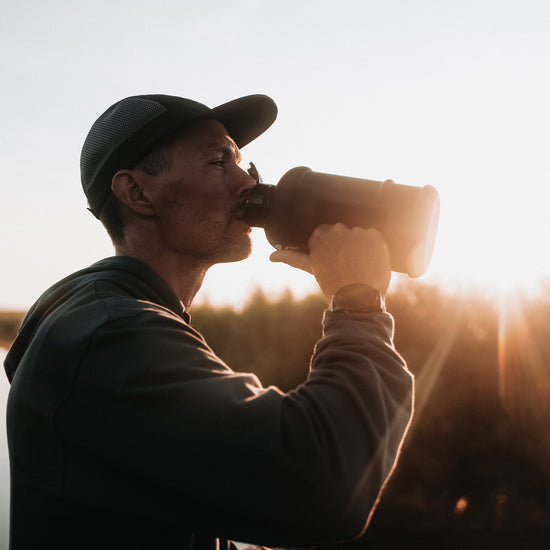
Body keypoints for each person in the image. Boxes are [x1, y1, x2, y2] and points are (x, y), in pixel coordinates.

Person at [4, 93, 414, 549]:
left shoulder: (124, 321)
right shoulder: (109, 338)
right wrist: (356, 302)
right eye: (219, 162)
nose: (247, 183)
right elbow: (326, 480)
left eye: (244, 163)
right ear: (137, 193)